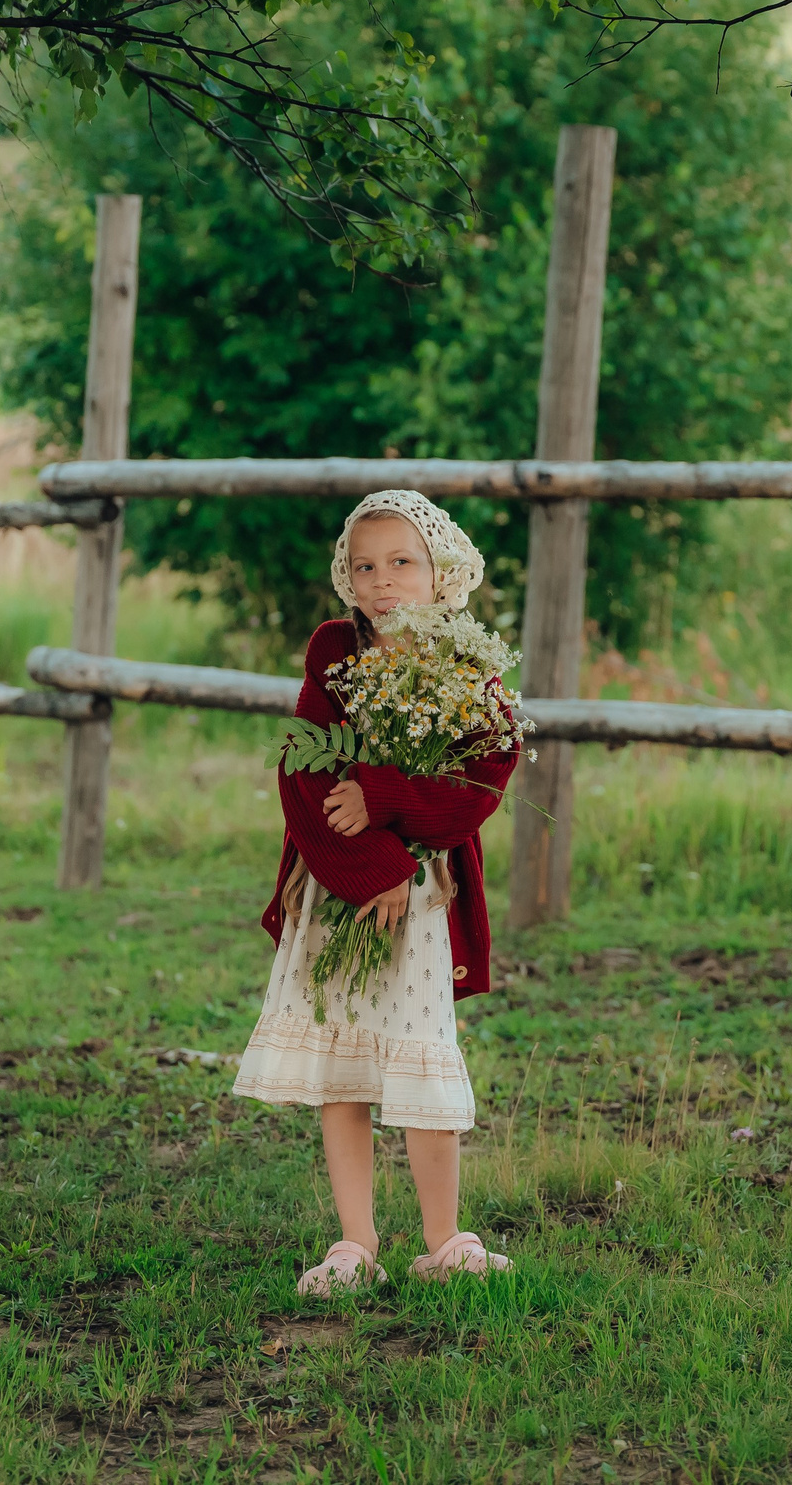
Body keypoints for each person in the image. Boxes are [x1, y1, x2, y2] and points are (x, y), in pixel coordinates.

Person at [231, 490, 520, 1294]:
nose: (383, 581)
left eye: (401, 563)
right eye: (365, 566)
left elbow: (481, 783)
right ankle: (355, 1241)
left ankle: (443, 1237)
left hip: (423, 897)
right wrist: (368, 871)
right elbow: (304, 771)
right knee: (343, 1060)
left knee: (420, 1052)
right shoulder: (335, 649)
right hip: (339, 884)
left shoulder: (468, 667)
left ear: (439, 572)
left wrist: (394, 823)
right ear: (347, 578)